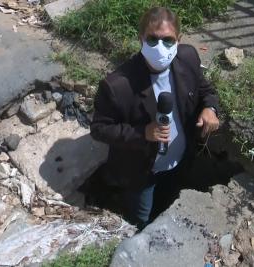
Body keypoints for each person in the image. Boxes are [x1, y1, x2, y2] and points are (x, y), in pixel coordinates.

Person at [90, 7, 219, 229]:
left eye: (168, 41)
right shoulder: (118, 85)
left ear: (178, 40)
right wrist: (143, 133)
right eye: (152, 39)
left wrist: (210, 108)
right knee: (141, 218)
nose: (160, 47)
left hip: (180, 161)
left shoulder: (187, 58)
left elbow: (205, 90)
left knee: (168, 200)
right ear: (140, 39)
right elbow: (99, 128)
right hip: (142, 172)